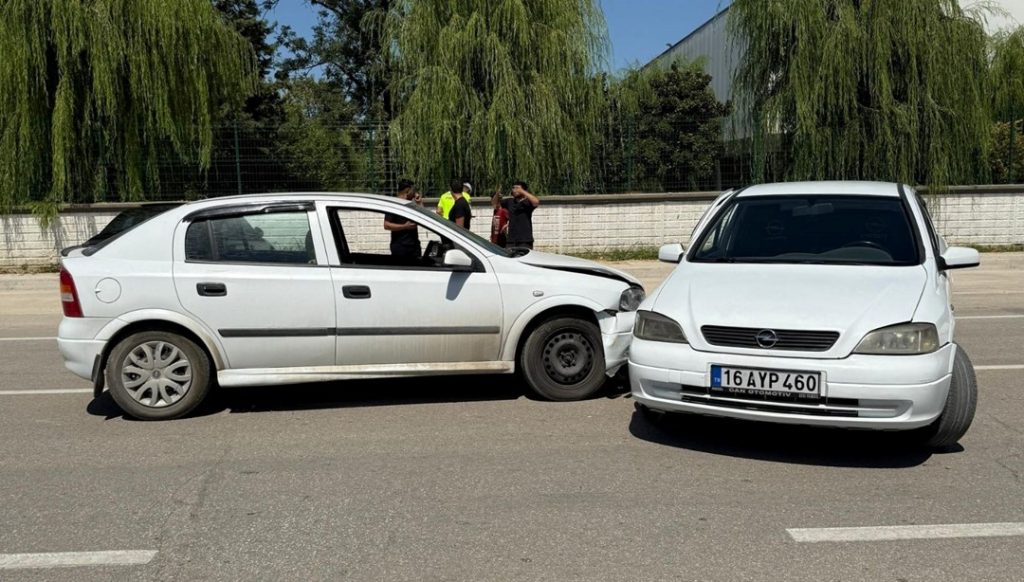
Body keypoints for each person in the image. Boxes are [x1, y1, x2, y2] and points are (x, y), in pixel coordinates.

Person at [383, 178, 422, 258]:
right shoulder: (393, 205)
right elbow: (386, 225)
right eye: (413, 191)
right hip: (400, 247)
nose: (415, 193)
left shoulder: (412, 204)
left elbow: (424, 218)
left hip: (414, 246)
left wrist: (419, 203)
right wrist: (405, 226)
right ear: (407, 191)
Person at [502, 180, 540, 250]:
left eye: (517, 188)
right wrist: (497, 194)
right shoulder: (509, 202)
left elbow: (536, 202)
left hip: (525, 240)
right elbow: (495, 205)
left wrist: (522, 191)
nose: (515, 190)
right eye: (513, 188)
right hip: (511, 240)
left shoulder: (527, 203)